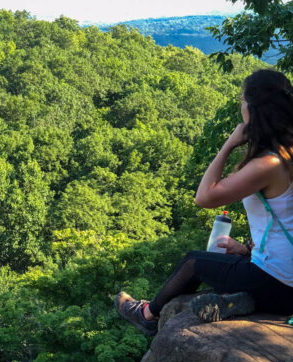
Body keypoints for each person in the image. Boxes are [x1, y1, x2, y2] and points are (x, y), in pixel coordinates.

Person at [115, 69, 293, 336]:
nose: (240, 106)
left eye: (242, 100)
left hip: (280, 283)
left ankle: (147, 315)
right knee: (228, 265)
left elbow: (204, 197)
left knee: (193, 263)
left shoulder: (268, 164)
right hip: (283, 276)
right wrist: (245, 250)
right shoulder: (287, 152)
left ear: (253, 108)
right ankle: (241, 300)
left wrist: (229, 144)